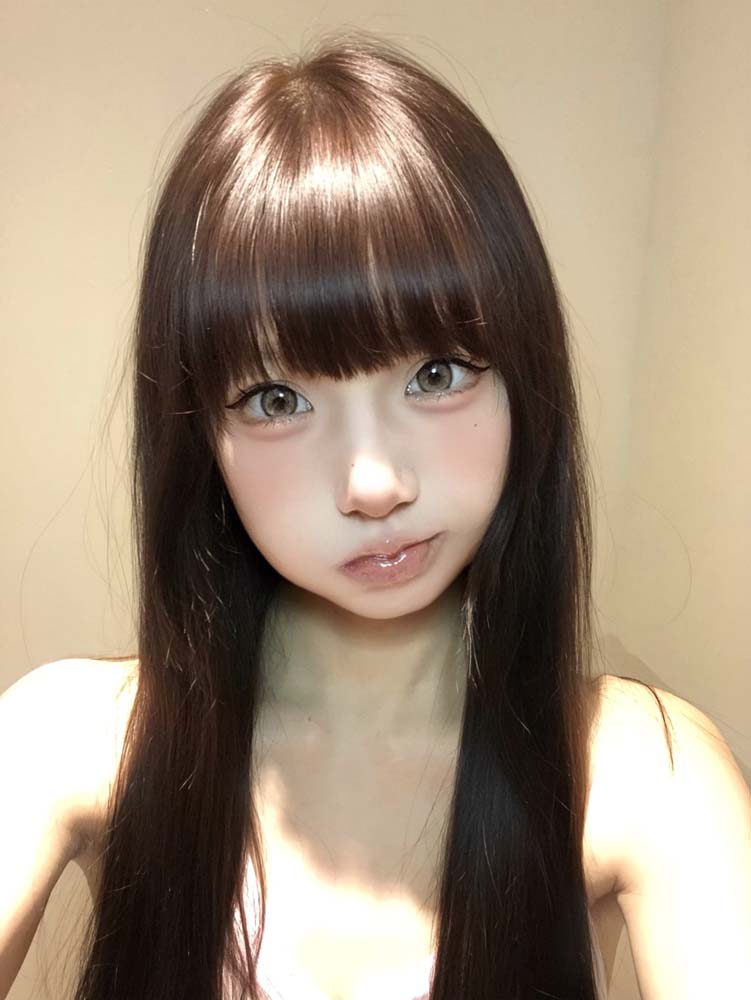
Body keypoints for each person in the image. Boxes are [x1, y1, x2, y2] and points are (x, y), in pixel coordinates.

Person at [2, 28, 750, 1000]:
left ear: (524, 378)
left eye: (435, 374)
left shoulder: (644, 773)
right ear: (198, 435)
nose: (373, 483)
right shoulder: (72, 738)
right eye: (277, 399)